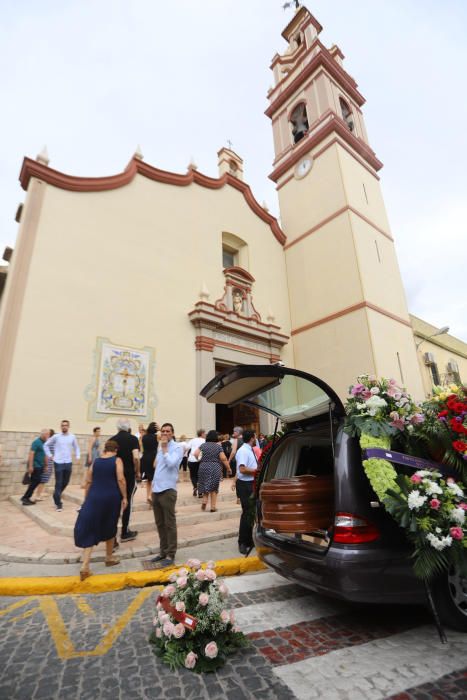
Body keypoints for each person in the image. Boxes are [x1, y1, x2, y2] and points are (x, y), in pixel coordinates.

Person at [74, 440, 127, 581]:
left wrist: (87, 499)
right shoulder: (117, 460)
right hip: (111, 498)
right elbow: (121, 479)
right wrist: (125, 497)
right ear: (116, 450)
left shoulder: (96, 461)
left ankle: (85, 566)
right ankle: (109, 557)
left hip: (94, 497)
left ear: (105, 449)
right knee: (110, 525)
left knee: (90, 527)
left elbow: (88, 480)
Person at [150, 422, 183, 568]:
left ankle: (171, 553)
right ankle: (162, 551)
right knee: (159, 523)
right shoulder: (160, 446)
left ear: (172, 433)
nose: (164, 433)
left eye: (167, 431)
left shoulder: (177, 448)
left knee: (169, 524)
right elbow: (157, 465)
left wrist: (164, 449)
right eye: (163, 431)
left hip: (168, 490)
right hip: (156, 489)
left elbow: (171, 463)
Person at [111, 418, 141, 542]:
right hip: (128, 475)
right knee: (128, 501)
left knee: (115, 503)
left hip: (114, 475)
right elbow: (136, 458)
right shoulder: (133, 439)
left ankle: (111, 534)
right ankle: (125, 532)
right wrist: (137, 471)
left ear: (117, 428)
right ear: (128, 427)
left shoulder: (111, 440)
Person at [44, 420, 80, 512]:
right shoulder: (56, 437)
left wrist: (78, 456)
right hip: (58, 462)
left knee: (66, 482)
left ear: (68, 426)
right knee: (59, 482)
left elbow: (76, 447)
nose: (64, 427)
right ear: (61, 427)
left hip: (68, 462)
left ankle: (56, 494)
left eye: (66, 425)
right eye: (63, 425)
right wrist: (50, 455)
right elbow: (45, 445)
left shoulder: (72, 437)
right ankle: (58, 503)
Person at [195, 430, 231, 512]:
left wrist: (200, 460)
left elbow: (195, 453)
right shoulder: (218, 446)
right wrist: (228, 468)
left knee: (205, 484)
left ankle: (204, 501)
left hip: (203, 466)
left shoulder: (203, 445)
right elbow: (223, 458)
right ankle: (213, 507)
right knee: (214, 487)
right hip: (215, 467)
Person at [235, 429, 258, 555]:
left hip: (250, 483)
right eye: (255, 437)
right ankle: (242, 542)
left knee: (251, 513)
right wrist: (257, 471)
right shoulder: (243, 450)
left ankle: (248, 540)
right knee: (246, 513)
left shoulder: (249, 449)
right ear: (252, 438)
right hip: (245, 484)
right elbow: (242, 469)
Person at [21, 429, 50, 505]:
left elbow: (45, 455)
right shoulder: (36, 442)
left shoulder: (45, 443)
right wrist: (30, 466)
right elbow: (31, 454)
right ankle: (25, 498)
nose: (48, 436)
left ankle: (26, 497)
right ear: (43, 434)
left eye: (49, 434)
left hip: (40, 466)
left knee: (35, 482)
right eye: (47, 434)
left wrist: (46, 465)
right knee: (36, 481)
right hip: (35, 465)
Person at [35, 428, 54, 501]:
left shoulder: (45, 442)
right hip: (47, 463)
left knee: (42, 480)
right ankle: (38, 495)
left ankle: (38, 494)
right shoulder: (50, 443)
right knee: (43, 480)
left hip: (43, 463)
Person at [141, 422, 158, 505]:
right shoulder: (157, 436)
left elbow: (141, 446)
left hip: (145, 457)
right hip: (154, 457)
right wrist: (160, 428)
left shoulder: (144, 437)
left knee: (148, 479)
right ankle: (151, 496)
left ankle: (148, 496)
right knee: (155, 478)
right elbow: (166, 438)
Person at [187, 429, 206, 497]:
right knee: (201, 476)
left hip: (191, 460)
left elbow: (187, 447)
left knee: (193, 475)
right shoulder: (204, 441)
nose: (205, 435)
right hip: (200, 460)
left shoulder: (193, 440)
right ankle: (200, 492)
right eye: (205, 433)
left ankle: (195, 487)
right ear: (202, 434)